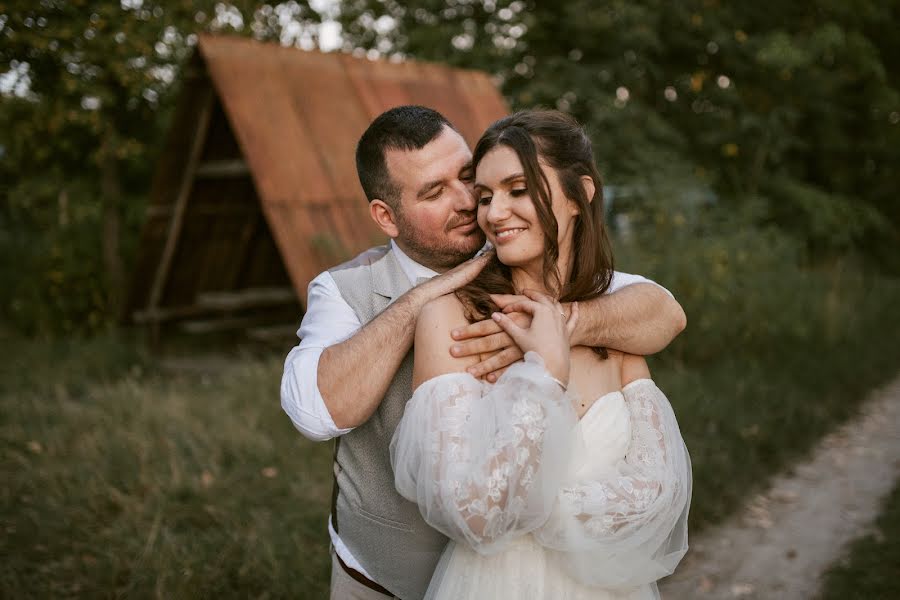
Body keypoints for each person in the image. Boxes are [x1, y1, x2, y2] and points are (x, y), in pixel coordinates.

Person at [281, 105, 687, 600]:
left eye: (469, 179)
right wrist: (424, 301)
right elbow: (316, 411)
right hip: (384, 580)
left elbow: (662, 310)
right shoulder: (346, 290)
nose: (471, 204)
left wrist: (560, 324)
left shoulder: (522, 254)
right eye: (434, 192)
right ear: (386, 216)